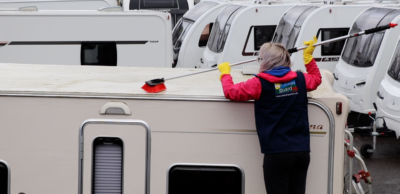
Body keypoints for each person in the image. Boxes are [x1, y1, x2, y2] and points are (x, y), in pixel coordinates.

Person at [217, 37, 322, 194]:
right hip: (302, 152)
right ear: (286, 59)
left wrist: (225, 75)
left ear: (266, 61)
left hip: (277, 154)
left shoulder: (258, 83)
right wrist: (308, 58)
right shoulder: (300, 79)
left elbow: (231, 92)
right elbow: (316, 79)